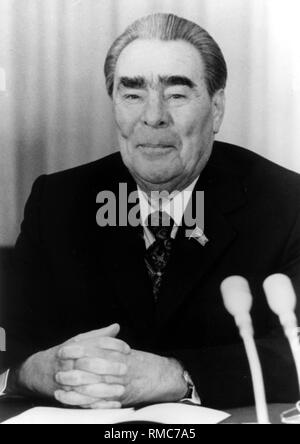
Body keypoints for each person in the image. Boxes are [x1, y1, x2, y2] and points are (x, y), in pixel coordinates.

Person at [1, 13, 300, 410]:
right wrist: (35, 372)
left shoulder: (284, 201)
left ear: (216, 108)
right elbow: (11, 339)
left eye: (176, 94)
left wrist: (176, 376)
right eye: (132, 94)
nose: (153, 115)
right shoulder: (57, 200)